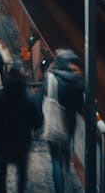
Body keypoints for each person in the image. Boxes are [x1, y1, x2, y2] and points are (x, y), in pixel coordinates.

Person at [0, 66, 43, 193]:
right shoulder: (29, 99)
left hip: (1, 144)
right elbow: (38, 123)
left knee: (1, 175)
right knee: (22, 174)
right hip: (22, 143)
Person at [40, 49, 84, 193]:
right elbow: (81, 108)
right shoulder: (77, 82)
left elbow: (42, 97)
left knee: (55, 160)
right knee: (65, 155)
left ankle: (60, 189)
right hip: (68, 125)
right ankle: (68, 175)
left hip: (52, 123)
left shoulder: (50, 76)